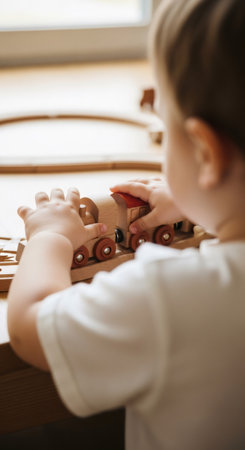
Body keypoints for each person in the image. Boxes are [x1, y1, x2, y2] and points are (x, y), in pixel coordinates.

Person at [7, 0, 245, 449]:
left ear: (206, 154)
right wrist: (209, 201)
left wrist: (50, 238)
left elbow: (28, 328)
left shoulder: (169, 297)